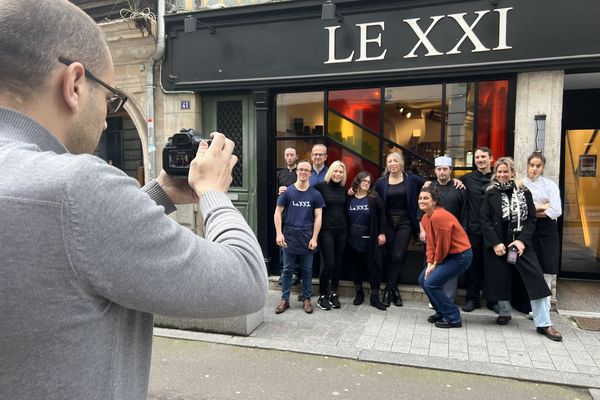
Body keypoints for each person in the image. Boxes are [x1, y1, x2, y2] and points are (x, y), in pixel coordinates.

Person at [0, 1, 268, 399]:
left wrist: (159, 194)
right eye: (111, 97)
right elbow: (246, 281)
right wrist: (212, 191)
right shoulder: (78, 186)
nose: (109, 116)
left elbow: (72, 251)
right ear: (74, 84)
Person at [481, 157, 562, 341]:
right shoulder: (490, 193)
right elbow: (484, 220)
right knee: (502, 277)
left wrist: (521, 241)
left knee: (536, 280)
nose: (502, 175)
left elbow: (532, 220)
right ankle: (505, 312)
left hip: (520, 245)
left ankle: (544, 323)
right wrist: (495, 243)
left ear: (512, 173)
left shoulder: (524, 192)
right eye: (499, 172)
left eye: (505, 171)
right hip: (499, 245)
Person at [374, 152, 426, 307]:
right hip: (388, 223)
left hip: (405, 222)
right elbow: (371, 196)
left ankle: (389, 289)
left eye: (395, 161)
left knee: (398, 255)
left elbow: (431, 184)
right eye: (389, 161)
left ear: (402, 163)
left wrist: (456, 181)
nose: (392, 164)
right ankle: (393, 288)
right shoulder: (381, 182)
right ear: (387, 164)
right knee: (389, 255)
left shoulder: (411, 179)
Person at [274, 160, 324, 314]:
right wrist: (279, 233)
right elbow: (277, 212)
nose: (303, 172)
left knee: (307, 271)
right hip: (289, 235)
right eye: (300, 169)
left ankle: (307, 299)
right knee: (288, 270)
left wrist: (315, 238)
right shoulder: (288, 192)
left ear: (310, 173)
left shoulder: (315, 194)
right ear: (297, 172)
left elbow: (318, 217)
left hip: (307, 236)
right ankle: (285, 299)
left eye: (306, 170)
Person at [418, 187, 472, 328]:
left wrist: (435, 263)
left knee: (431, 283)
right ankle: (441, 312)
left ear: (434, 201)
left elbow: (443, 245)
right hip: (447, 255)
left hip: (460, 256)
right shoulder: (425, 217)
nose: (421, 201)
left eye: (426, 198)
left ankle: (453, 318)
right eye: (420, 198)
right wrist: (430, 262)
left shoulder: (439, 216)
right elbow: (430, 243)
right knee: (423, 280)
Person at [419, 156, 467, 303]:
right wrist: (422, 230)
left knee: (450, 270)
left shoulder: (459, 188)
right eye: (439, 169)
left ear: (450, 170)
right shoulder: (429, 187)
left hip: (453, 236)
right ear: (435, 171)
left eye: (445, 169)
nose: (442, 172)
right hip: (432, 234)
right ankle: (434, 299)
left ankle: (448, 300)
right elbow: (420, 211)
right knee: (432, 264)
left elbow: (465, 213)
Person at [522, 152, 562, 308]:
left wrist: (534, 210)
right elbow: (522, 210)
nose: (534, 169)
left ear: (543, 167)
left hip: (547, 230)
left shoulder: (550, 185)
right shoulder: (521, 184)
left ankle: (544, 307)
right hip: (528, 229)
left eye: (538, 166)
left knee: (547, 267)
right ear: (527, 165)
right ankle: (528, 306)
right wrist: (544, 205)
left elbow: (556, 211)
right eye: (531, 165)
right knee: (530, 267)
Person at [460, 147, 496, 313]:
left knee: (492, 266)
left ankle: (492, 300)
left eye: (483, 157)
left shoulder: (499, 177)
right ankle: (472, 299)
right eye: (477, 157)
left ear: (491, 158)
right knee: (473, 265)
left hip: (494, 231)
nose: (480, 160)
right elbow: (450, 184)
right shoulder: (467, 179)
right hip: (473, 229)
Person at [346, 171, 388, 310]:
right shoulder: (349, 198)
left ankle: (375, 297)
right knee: (355, 266)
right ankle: (359, 293)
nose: (365, 183)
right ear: (357, 181)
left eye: (368, 182)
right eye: (363, 180)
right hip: (352, 238)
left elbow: (382, 216)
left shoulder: (374, 198)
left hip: (370, 238)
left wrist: (382, 233)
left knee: (374, 267)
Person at [314, 161, 348, 310]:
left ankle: (333, 292)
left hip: (342, 230)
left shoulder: (343, 190)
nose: (338, 174)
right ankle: (322, 295)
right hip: (326, 231)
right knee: (329, 264)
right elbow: (305, 193)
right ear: (331, 172)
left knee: (339, 263)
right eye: (335, 171)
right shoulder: (320, 187)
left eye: (341, 172)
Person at [276, 146, 300, 285]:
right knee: (283, 244)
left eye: (292, 155)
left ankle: (296, 273)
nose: (289, 157)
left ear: (296, 156)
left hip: (297, 213)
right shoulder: (281, 173)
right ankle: (284, 272)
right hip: (284, 214)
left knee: (296, 244)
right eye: (287, 155)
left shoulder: (300, 172)